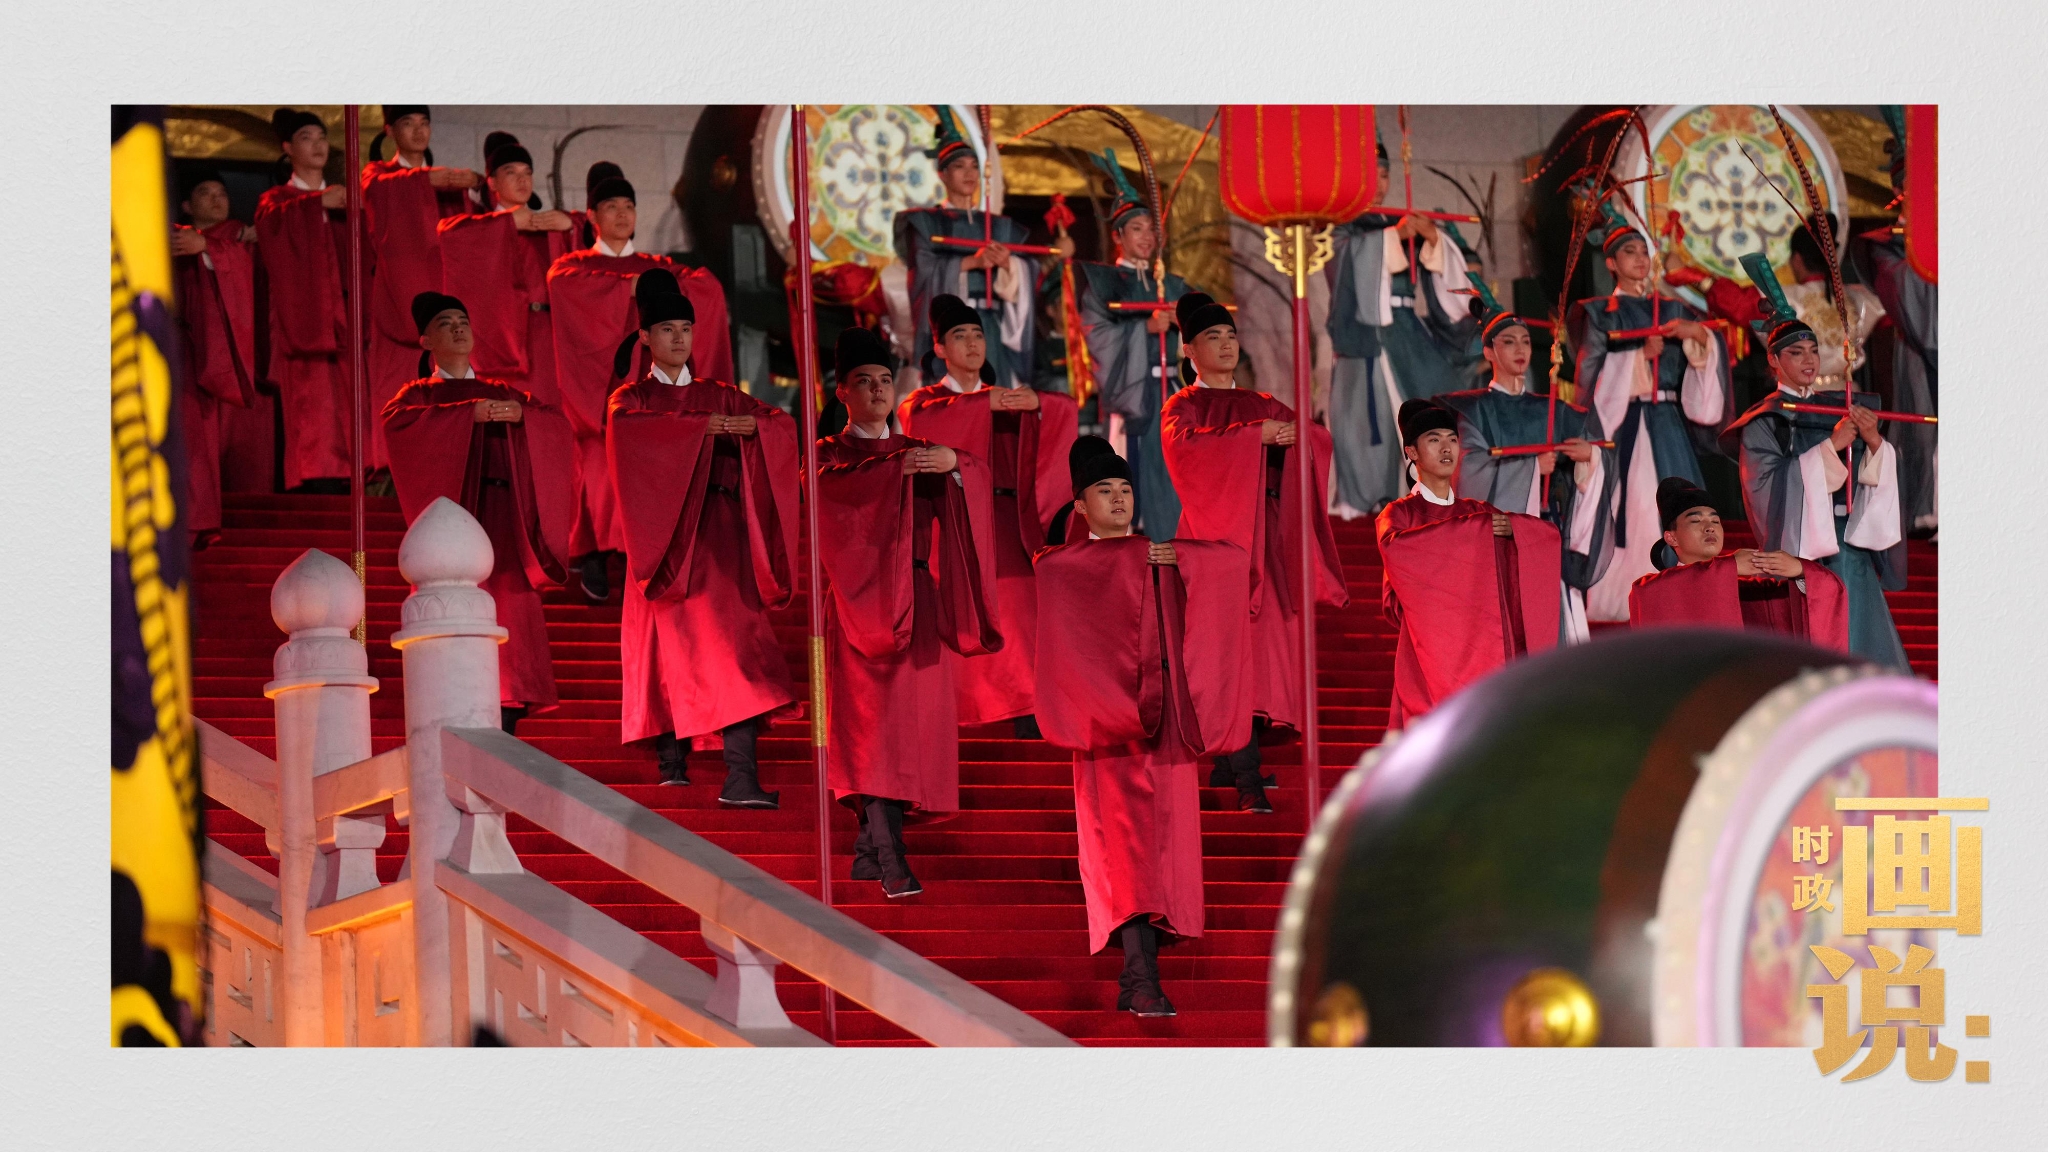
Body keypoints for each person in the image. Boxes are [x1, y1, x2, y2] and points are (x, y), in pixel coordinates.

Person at [1034, 437, 1252, 1018]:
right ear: (1080, 506)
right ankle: (1140, 976)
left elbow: (1232, 561)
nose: (1118, 500)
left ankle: (1143, 974)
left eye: (1126, 490)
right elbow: (1061, 615)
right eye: (1104, 491)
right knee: (1125, 851)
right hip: (1109, 732)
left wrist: (1181, 560)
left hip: (1166, 727)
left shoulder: (1160, 554)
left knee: (1166, 848)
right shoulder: (1066, 566)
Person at [814, 327, 1002, 898]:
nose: (877, 390)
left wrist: (956, 464)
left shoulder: (917, 450)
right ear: (842, 392)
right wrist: (900, 471)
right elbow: (834, 496)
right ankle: (892, 858)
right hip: (857, 604)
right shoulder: (828, 455)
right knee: (867, 730)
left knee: (904, 730)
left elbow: (975, 476)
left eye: (884, 380)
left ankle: (869, 849)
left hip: (916, 599)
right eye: (863, 381)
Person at [607, 269, 797, 803]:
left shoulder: (722, 394)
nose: (678, 339)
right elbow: (629, 438)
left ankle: (741, 775)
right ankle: (674, 760)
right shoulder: (631, 398)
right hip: (664, 541)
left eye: (686, 329)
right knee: (665, 652)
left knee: (735, 649)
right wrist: (698, 430)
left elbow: (780, 425)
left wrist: (755, 429)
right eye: (667, 330)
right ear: (645, 337)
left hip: (719, 537)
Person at [1159, 293, 1347, 812]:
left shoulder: (1263, 401)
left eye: (1230, 336)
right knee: (1229, 655)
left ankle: (1231, 766)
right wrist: (1252, 438)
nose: (1225, 345)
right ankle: (1245, 778)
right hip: (1216, 541)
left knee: (1263, 656)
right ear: (1189, 350)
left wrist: (1297, 438)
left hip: (1266, 538)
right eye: (1212, 337)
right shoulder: (1183, 406)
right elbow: (1187, 451)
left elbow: (1315, 438)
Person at [381, 293, 576, 732]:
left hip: (506, 522)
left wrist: (522, 418)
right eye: (445, 323)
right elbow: (400, 426)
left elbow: (555, 424)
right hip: (457, 525)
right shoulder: (416, 396)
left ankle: (507, 724)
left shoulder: (504, 393)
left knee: (513, 626)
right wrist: (468, 416)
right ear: (425, 341)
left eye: (463, 321)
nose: (458, 328)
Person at [548, 163, 735, 602]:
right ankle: (596, 552)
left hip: (657, 398)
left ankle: (650, 552)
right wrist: (629, 289)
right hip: (603, 395)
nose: (622, 215)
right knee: (598, 463)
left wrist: (651, 288)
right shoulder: (573, 267)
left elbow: (703, 287)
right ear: (592, 216)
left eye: (628, 207)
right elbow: (568, 289)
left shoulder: (658, 265)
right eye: (611, 207)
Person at [897, 293, 1078, 737]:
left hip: (1009, 522)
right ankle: (967, 720)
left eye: (978, 334)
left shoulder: (1010, 399)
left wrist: (1038, 405)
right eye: (960, 336)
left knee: (1022, 615)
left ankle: (1029, 719)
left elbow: (1063, 410)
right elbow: (921, 422)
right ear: (940, 348)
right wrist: (985, 406)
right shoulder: (924, 400)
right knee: (967, 610)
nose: (972, 343)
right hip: (958, 521)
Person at [1718, 253, 1909, 670]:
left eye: (1812, 350)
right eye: (1795, 352)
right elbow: (1765, 487)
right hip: (1803, 547)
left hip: (1848, 543)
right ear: (1774, 360)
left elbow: (1868, 476)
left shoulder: (1839, 406)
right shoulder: (1764, 420)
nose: (1808, 360)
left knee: (1863, 642)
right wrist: (1830, 447)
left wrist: (1875, 443)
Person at [1565, 201, 1730, 622]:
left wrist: (1697, 338)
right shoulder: (1600, 312)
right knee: (1635, 506)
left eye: (1644, 251)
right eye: (1629, 253)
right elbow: (1589, 375)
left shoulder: (1672, 308)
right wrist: (1638, 357)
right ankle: (1629, 596)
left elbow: (1708, 347)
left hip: (1669, 422)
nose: (1640, 259)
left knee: (1680, 506)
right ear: (1611, 263)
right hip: (1626, 423)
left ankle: (1689, 597)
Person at [1437, 298, 1616, 642]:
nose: (1520, 350)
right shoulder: (1476, 410)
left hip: (1548, 534)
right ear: (1489, 352)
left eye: (1526, 342)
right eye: (1509, 342)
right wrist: (1532, 467)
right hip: (1501, 539)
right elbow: (1470, 470)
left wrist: (1588, 458)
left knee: (1550, 626)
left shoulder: (1555, 410)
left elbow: (1590, 460)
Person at [1376, 400, 1561, 729]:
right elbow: (1398, 553)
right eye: (1434, 439)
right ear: (1412, 452)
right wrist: (1477, 533)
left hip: (1485, 648)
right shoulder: (1400, 514)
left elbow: (1544, 538)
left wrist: (1515, 531)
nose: (1446, 448)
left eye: (1452, 439)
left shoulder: (1478, 511)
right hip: (1427, 652)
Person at [1325, 136, 1479, 519]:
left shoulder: (1394, 220)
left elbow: (1443, 274)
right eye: (1370, 174)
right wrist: (1395, 238)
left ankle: (1431, 496)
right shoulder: (1341, 225)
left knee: (1436, 405)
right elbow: (1343, 262)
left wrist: (1432, 238)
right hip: (1367, 336)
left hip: (1408, 333)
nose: (1379, 183)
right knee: (1368, 423)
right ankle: (1372, 502)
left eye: (1384, 174)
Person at [1074, 148, 1187, 538]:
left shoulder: (1170, 284)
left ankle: (1176, 538)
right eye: (1136, 229)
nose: (1146, 236)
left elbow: (1202, 328)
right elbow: (1098, 336)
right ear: (1117, 235)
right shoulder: (1104, 284)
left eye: (1151, 229)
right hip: (1135, 392)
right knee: (1140, 472)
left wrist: (1183, 325)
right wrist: (1145, 330)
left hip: (1173, 389)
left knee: (1177, 468)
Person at [361, 105, 481, 469]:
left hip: (445, 292)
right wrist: (426, 182)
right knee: (397, 386)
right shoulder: (380, 175)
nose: (418, 131)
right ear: (389, 130)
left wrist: (474, 183)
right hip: (397, 296)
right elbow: (377, 192)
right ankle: (392, 468)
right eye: (408, 123)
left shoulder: (446, 182)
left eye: (424, 123)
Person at [893, 107, 1034, 392]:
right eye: (959, 166)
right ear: (942, 174)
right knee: (955, 404)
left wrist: (1009, 265)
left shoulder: (999, 226)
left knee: (994, 401)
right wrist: (971, 263)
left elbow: (1030, 268)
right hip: (953, 331)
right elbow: (923, 271)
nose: (969, 173)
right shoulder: (926, 223)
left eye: (973, 166)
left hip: (991, 328)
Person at [437, 132, 579, 410]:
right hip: (506, 335)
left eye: (527, 173)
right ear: (492, 182)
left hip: (548, 334)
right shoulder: (482, 225)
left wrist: (572, 224)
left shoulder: (549, 224)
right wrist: (506, 222)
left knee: (547, 413)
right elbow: (449, 233)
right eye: (511, 172)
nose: (522, 180)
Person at [254, 108, 353, 493]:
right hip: (304, 323)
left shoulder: (343, 199)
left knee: (347, 406)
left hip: (344, 322)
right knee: (311, 407)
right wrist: (315, 206)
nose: (317, 145)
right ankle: (312, 482)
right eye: (306, 138)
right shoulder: (277, 201)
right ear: (287, 148)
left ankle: (353, 477)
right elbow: (271, 235)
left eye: (322, 137)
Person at [1629, 477, 1847, 648]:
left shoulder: (1748, 590)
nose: (1709, 527)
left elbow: (1821, 596)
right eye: (1696, 520)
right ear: (1671, 538)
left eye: (1715, 521)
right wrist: (1728, 566)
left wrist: (1801, 571)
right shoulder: (1653, 590)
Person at [172, 166, 259, 548]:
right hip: (175, 346)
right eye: (205, 192)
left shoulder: (241, 237)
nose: (216, 199)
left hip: (215, 354)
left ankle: (198, 523)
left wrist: (207, 248)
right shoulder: (171, 237)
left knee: (200, 437)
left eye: (221, 192)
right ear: (186, 205)